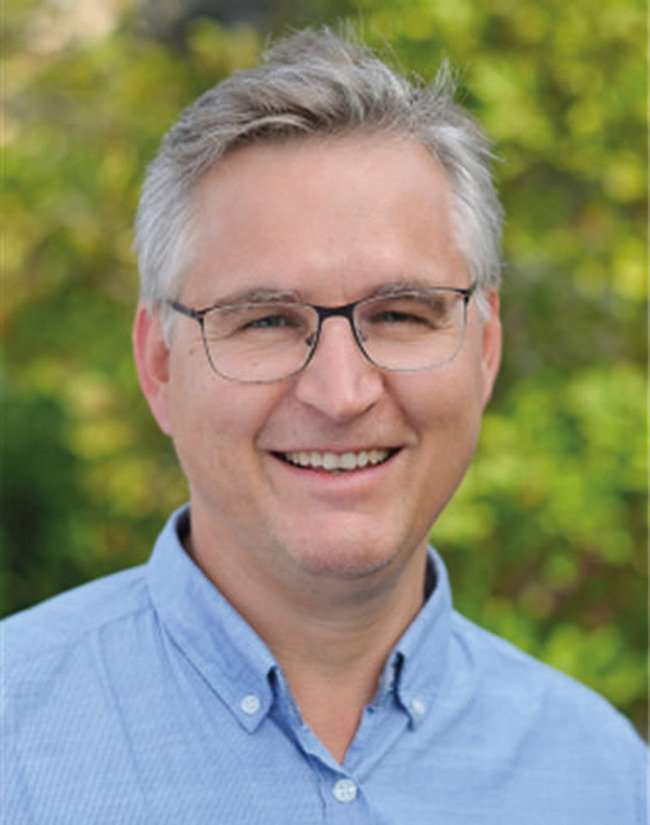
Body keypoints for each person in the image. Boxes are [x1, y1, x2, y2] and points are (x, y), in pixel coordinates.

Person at [2, 28, 646, 824]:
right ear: (160, 366)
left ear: (484, 352)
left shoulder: (603, 777)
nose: (341, 394)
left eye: (401, 314)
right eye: (267, 320)